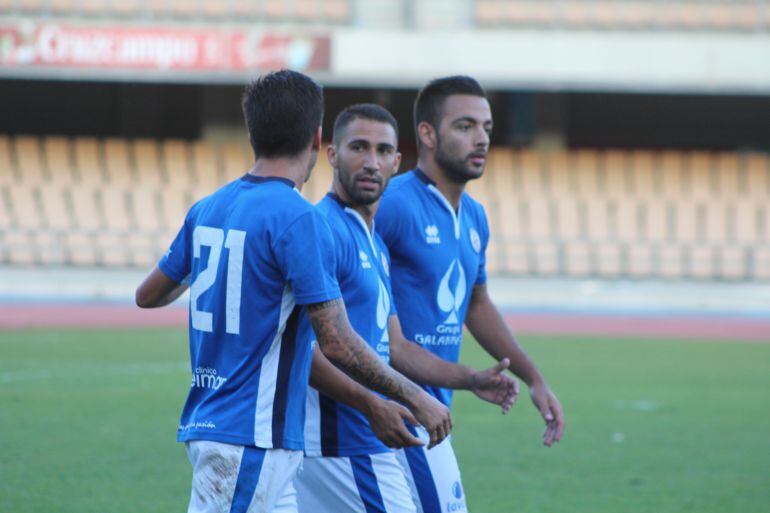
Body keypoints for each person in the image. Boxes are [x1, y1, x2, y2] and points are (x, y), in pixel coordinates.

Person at [134, 70, 450, 513]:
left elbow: (148, 294)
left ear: (252, 132)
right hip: (249, 435)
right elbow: (337, 342)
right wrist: (415, 396)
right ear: (318, 137)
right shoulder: (298, 218)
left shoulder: (207, 208)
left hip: (240, 431)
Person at [292, 104, 519, 513]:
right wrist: (379, 403)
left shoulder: (373, 241)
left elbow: (396, 347)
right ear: (331, 154)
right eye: (358, 147)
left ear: (397, 162)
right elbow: (305, 350)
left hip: (365, 438)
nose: (371, 162)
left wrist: (470, 379)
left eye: (383, 151)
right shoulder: (322, 228)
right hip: (341, 442)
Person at [375, 76, 566, 512]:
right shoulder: (393, 204)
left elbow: (476, 304)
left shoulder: (475, 217)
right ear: (427, 133)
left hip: (433, 412)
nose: (481, 139)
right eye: (464, 126)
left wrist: (533, 378)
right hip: (392, 411)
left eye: (486, 128)